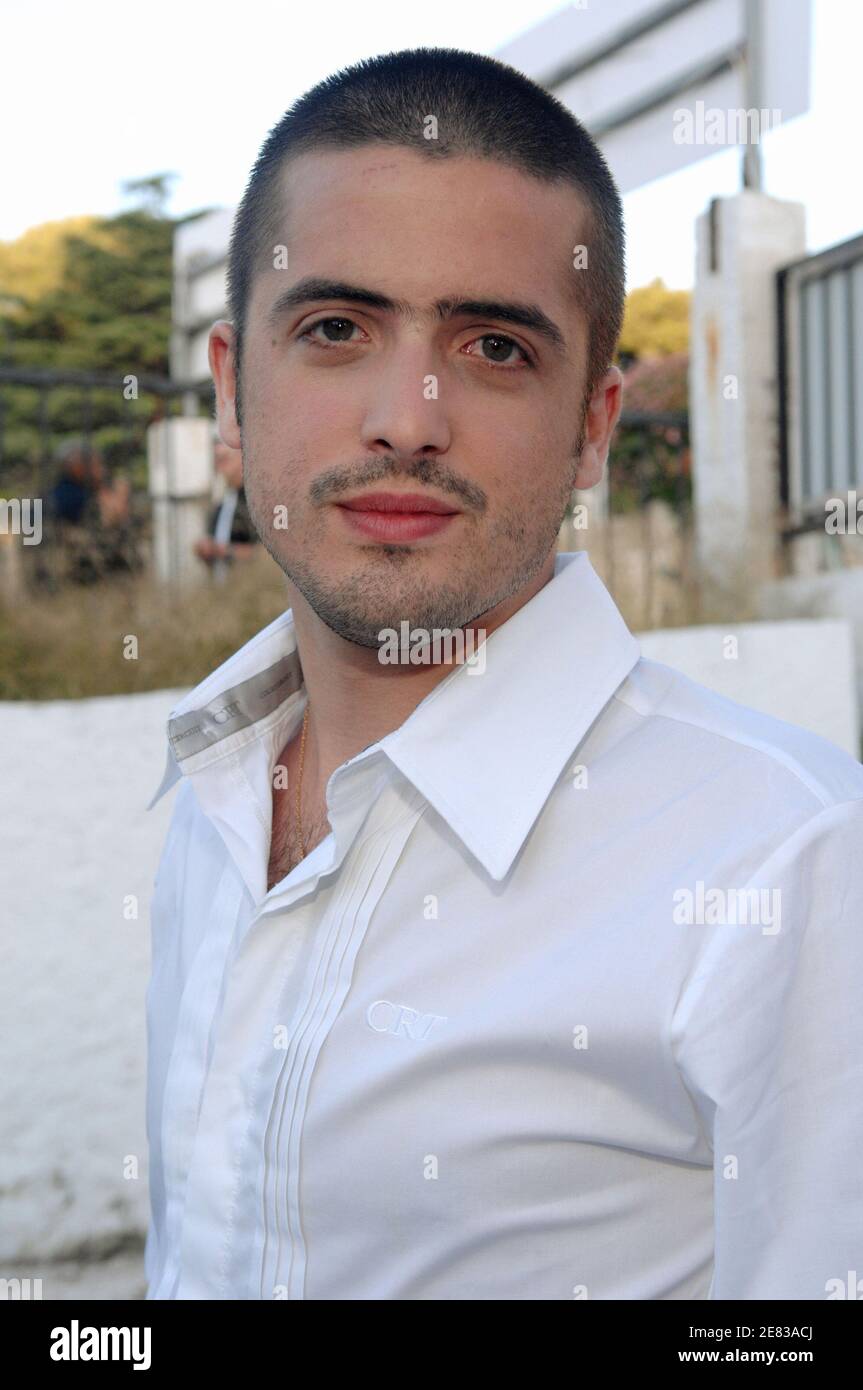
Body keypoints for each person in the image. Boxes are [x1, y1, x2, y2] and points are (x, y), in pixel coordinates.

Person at [144, 48, 863, 1301]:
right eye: (334, 328)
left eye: (490, 346)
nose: (408, 416)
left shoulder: (790, 866)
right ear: (231, 394)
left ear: (593, 424)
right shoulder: (211, 798)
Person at [193, 435, 259, 567]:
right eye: (215, 461)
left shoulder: (256, 502)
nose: (218, 467)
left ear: (242, 459)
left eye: (223, 460)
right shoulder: (221, 503)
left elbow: (268, 556)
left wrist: (227, 551)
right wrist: (205, 550)